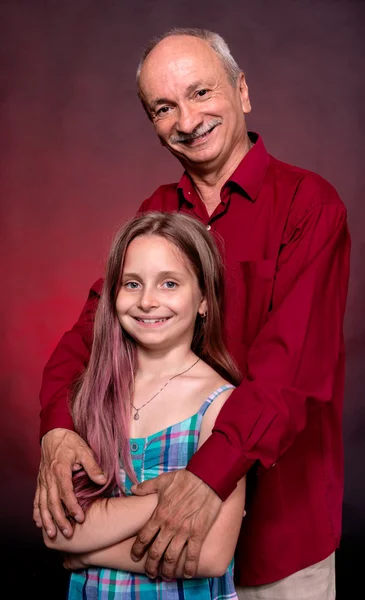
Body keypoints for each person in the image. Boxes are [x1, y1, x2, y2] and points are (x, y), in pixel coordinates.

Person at [34, 28, 351, 599]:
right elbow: (92, 332)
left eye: (201, 93)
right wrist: (57, 426)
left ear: (242, 91)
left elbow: (292, 371)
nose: (187, 119)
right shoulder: (156, 213)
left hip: (279, 539)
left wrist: (208, 475)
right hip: (152, 533)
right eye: (164, 106)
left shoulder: (310, 204)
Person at [42, 211, 246, 599]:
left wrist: (89, 553)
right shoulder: (92, 393)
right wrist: (165, 501)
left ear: (204, 299)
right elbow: (60, 530)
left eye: (169, 283)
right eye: (132, 284)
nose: (148, 301)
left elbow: (211, 556)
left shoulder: (221, 404)